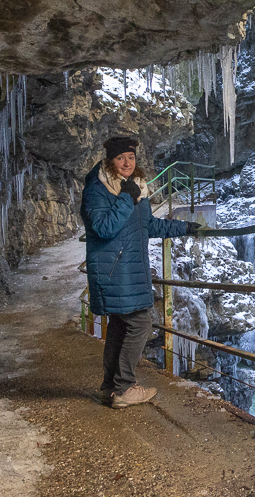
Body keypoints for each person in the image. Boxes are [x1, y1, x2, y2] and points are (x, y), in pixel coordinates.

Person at [81, 135, 203, 408]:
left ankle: (110, 388)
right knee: (140, 323)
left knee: (120, 327)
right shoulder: (97, 189)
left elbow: (148, 226)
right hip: (114, 269)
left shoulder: (136, 187)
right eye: (120, 157)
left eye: (131, 157)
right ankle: (124, 388)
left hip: (130, 269)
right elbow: (103, 228)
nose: (127, 162)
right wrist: (126, 198)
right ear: (110, 160)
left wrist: (183, 228)